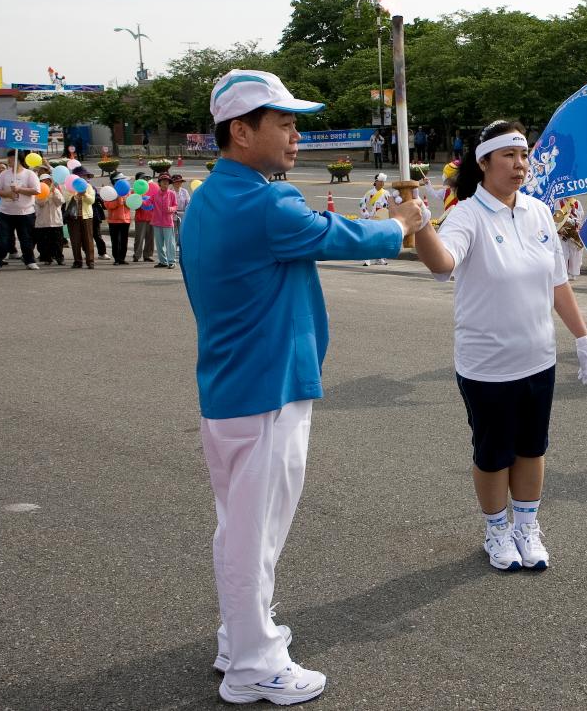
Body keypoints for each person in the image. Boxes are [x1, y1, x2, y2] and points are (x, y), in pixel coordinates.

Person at [181, 69, 426, 706]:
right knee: (253, 530)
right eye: (283, 122)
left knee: (239, 525)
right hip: (267, 386)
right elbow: (345, 237)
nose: (297, 135)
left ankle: (241, 640)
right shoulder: (267, 202)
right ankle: (255, 664)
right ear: (241, 131)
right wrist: (403, 223)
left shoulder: (210, 196)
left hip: (233, 383)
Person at [409, 120, 587, 573]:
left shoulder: (537, 212)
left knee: (532, 448)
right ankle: (496, 530)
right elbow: (442, 263)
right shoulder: (466, 216)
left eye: (524, 156)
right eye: (509, 156)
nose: (520, 165)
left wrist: (583, 336)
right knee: (494, 454)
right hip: (487, 365)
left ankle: (526, 527)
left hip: (538, 358)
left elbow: (557, 282)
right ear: (484, 163)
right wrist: (419, 227)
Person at [0, 152, 41, 271]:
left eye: (11, 158)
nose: (9, 161)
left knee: (26, 238)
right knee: (3, 238)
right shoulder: (4, 174)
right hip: (5, 213)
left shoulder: (29, 174)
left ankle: (30, 261)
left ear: (19, 159)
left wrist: (19, 190)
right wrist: (8, 194)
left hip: (25, 213)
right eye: (8, 158)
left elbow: (36, 190)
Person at [358, 173, 395, 266]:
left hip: (382, 219)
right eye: (380, 181)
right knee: (370, 239)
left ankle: (379, 258)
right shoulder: (370, 193)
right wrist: (366, 215)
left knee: (381, 239)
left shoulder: (386, 193)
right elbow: (362, 203)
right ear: (376, 182)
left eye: (383, 182)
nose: (382, 183)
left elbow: (390, 205)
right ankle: (367, 258)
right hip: (372, 218)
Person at [65, 167, 97, 270]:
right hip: (72, 217)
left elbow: (92, 200)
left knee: (88, 239)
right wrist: (76, 195)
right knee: (75, 240)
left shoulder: (88, 187)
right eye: (81, 176)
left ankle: (90, 261)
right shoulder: (69, 186)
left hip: (86, 217)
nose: (83, 178)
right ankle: (77, 261)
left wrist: (85, 194)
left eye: (85, 176)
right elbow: (65, 199)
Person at [33, 172, 66, 265]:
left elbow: (60, 201)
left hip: (56, 221)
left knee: (58, 241)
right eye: (43, 181)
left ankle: (59, 258)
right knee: (43, 242)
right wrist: (46, 194)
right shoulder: (38, 192)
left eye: (48, 181)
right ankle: (47, 258)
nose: (46, 183)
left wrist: (53, 192)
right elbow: (40, 203)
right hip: (43, 222)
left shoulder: (56, 190)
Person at [151, 172, 179, 268]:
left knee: (170, 243)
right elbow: (148, 202)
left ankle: (172, 261)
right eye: (163, 181)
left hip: (167, 222)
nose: (165, 183)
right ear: (159, 183)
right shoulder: (155, 194)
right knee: (159, 243)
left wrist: (171, 209)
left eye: (167, 181)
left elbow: (175, 206)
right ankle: (163, 261)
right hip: (156, 221)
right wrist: (141, 201)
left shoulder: (172, 194)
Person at [105, 174, 133, 265]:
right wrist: (117, 201)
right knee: (115, 240)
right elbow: (108, 205)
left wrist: (126, 202)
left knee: (124, 240)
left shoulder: (127, 191)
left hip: (126, 220)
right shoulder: (110, 192)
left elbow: (131, 204)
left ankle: (122, 258)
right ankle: (116, 258)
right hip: (114, 220)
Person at [556, 196, 583, 279]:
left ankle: (573, 273)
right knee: (563, 252)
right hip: (563, 230)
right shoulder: (559, 202)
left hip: (574, 230)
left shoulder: (577, 202)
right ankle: (564, 272)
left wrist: (574, 210)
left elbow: (581, 214)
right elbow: (556, 216)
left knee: (575, 252)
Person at [132, 172, 155, 263]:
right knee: (139, 238)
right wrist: (139, 198)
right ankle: (137, 255)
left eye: (146, 178)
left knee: (150, 238)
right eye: (142, 178)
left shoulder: (152, 187)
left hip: (151, 217)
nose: (145, 180)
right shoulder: (135, 190)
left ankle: (147, 255)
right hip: (140, 217)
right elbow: (133, 205)